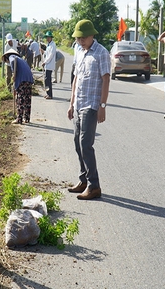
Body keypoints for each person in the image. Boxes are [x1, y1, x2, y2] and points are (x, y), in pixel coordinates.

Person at [67, 19, 110, 200]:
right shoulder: (79, 51)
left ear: (92, 35)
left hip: (92, 105)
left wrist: (102, 106)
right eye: (78, 38)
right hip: (78, 104)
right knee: (78, 143)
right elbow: (76, 79)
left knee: (86, 144)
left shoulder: (101, 53)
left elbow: (106, 79)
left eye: (84, 38)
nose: (81, 41)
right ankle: (83, 180)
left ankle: (94, 186)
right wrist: (71, 103)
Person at [2, 48, 34, 124]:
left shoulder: (12, 57)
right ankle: (27, 118)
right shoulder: (21, 59)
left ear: (7, 57)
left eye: (5, 61)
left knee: (20, 99)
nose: (7, 62)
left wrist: (14, 74)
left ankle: (19, 119)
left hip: (22, 80)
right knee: (27, 98)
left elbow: (13, 62)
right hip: (29, 79)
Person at [41, 30, 56, 99]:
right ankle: (47, 93)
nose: (47, 39)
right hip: (47, 64)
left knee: (48, 80)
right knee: (46, 80)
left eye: (48, 37)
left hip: (50, 65)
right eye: (46, 37)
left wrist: (45, 62)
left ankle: (50, 95)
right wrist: (43, 51)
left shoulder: (53, 45)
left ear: (51, 38)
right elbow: (47, 53)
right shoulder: (49, 45)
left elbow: (51, 55)